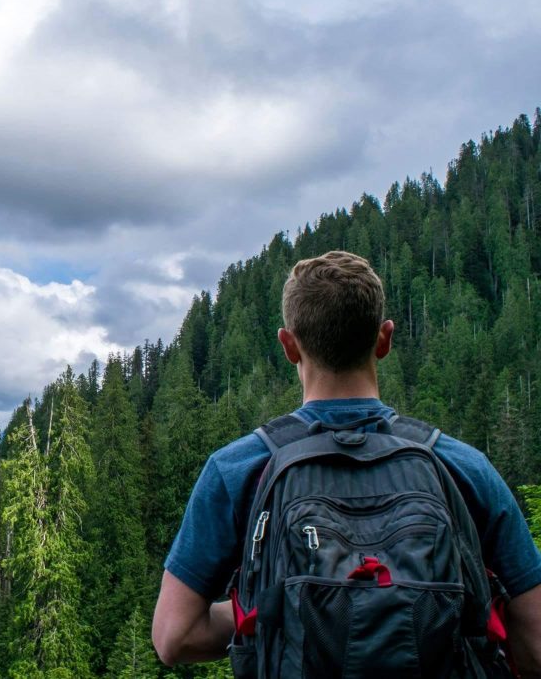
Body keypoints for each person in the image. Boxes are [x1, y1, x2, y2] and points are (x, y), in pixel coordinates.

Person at [151, 250, 541, 676]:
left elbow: (175, 636)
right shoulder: (462, 467)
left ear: (289, 345)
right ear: (385, 339)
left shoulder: (238, 468)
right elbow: (535, 645)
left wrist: (270, 607)